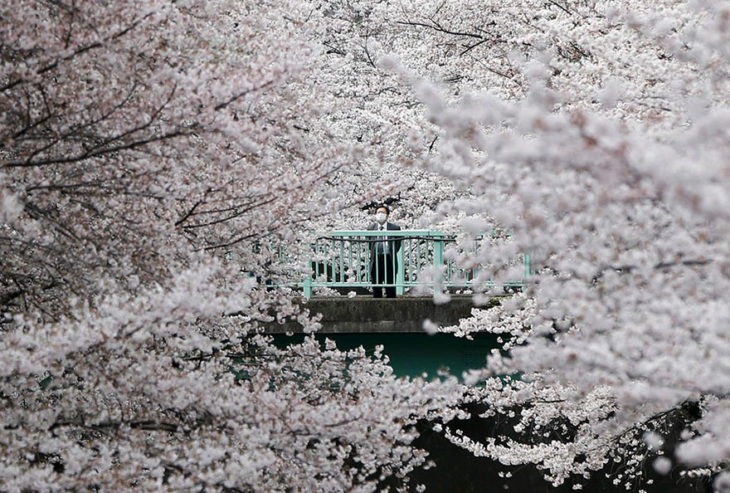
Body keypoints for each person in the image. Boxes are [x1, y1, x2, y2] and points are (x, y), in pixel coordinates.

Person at [367, 205, 401, 298]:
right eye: (378, 213)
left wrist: (391, 251)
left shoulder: (395, 228)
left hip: (389, 258)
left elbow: (397, 244)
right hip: (376, 258)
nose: (380, 215)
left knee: (390, 286)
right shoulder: (371, 228)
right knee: (376, 285)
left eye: (382, 213)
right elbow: (370, 244)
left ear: (387, 215)